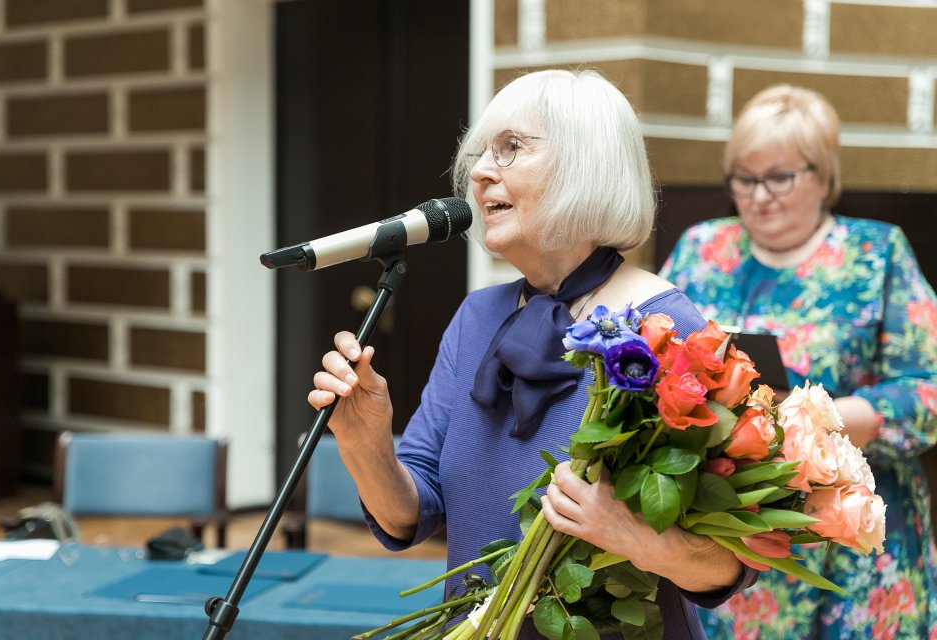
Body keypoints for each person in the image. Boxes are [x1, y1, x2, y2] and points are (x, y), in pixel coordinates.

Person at [308, 69, 757, 639]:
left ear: (584, 166)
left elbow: (735, 561)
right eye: (482, 153)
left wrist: (638, 538)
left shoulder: (668, 329)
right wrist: (364, 441)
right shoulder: (477, 318)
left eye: (511, 149)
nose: (478, 172)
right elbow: (409, 514)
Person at [659, 84, 937, 639]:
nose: (759, 196)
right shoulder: (702, 249)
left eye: (779, 177)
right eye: (745, 178)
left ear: (823, 175)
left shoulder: (876, 253)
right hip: (736, 535)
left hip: (854, 531)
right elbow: (658, 355)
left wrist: (820, 421)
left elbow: (928, 388)